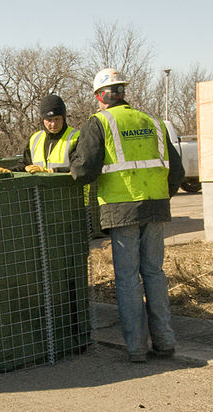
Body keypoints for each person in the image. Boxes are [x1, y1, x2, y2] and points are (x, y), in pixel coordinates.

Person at [69, 68, 184, 363]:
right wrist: (160, 196)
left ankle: (136, 348)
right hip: (155, 206)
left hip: (122, 209)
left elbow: (83, 171)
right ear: (122, 92)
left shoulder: (100, 123)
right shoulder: (152, 121)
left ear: (99, 97)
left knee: (128, 279)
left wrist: (72, 156)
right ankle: (165, 342)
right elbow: (177, 171)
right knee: (155, 274)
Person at [0, 94, 79, 175]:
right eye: (49, 120)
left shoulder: (76, 137)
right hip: (40, 191)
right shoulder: (35, 139)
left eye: (57, 119)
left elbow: (80, 167)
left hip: (68, 190)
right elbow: (25, 165)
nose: (53, 124)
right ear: (43, 120)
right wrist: (8, 171)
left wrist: (50, 171)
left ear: (63, 118)